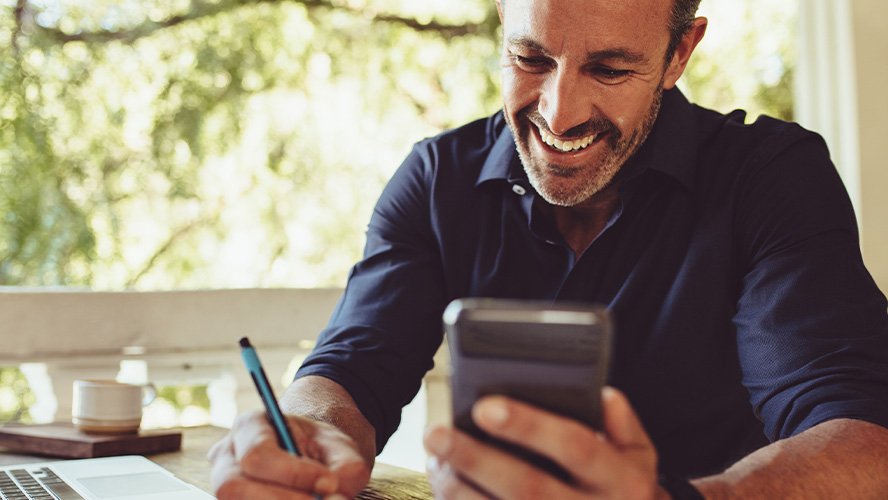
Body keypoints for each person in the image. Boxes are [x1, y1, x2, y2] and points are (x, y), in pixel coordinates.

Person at [209, 0, 888, 498]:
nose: (559, 114)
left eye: (611, 68)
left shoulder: (771, 178)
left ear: (679, 54)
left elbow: (864, 441)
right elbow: (354, 365)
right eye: (532, 59)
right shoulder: (436, 179)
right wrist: (303, 429)